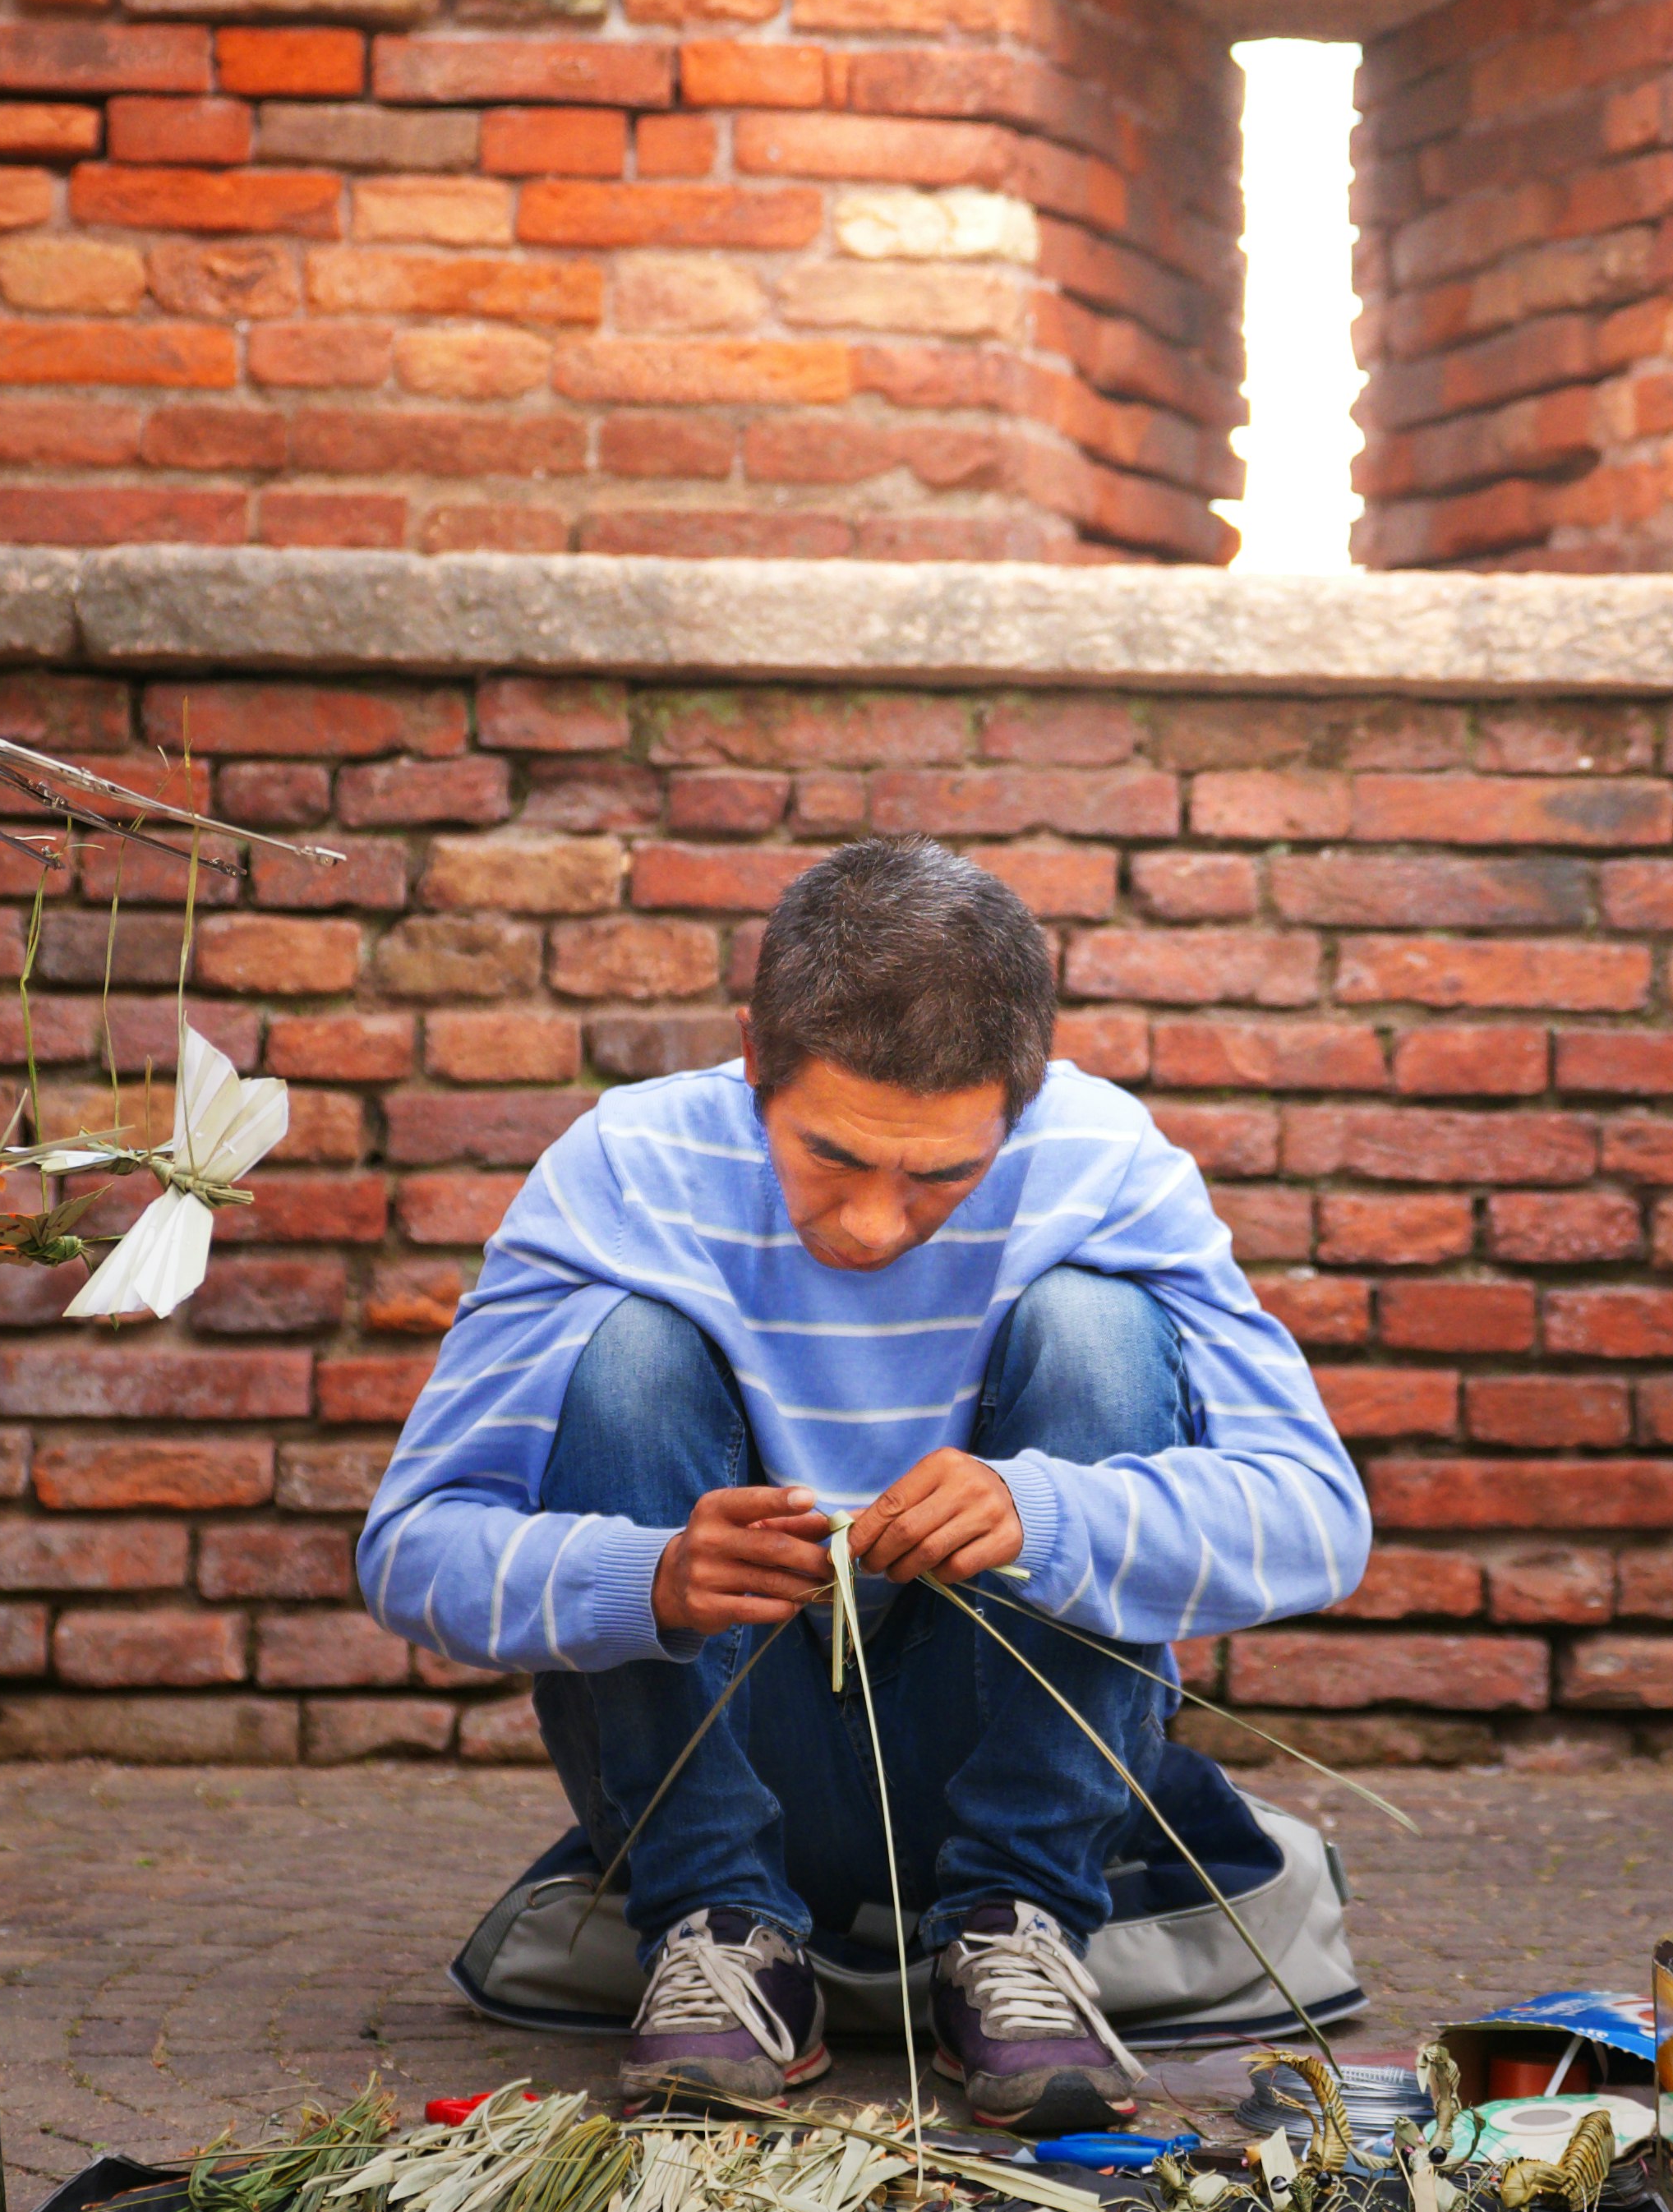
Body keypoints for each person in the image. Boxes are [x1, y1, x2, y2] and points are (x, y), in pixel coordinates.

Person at [357, 836, 1371, 2133]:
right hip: (718, 1751)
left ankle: (1017, 1927)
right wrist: (648, 1577)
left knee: (1098, 1326)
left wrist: (1051, 1515)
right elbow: (410, 1550)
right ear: (752, 1061)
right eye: (831, 1156)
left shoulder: (1103, 1164)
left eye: (944, 1173)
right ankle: (719, 1923)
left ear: (1027, 1097)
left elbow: (1318, 1519)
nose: (877, 1224)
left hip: (1007, 1750)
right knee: (628, 1355)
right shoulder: (627, 1168)